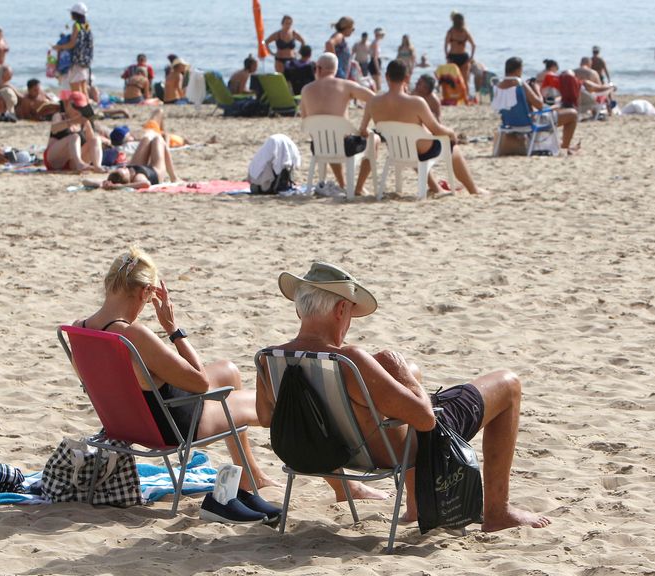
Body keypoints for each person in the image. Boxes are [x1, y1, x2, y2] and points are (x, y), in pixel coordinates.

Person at [256, 261, 553, 529]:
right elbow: (425, 421)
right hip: (396, 452)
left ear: (299, 309)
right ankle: (497, 512)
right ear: (341, 310)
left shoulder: (270, 359)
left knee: (393, 369)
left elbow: (266, 418)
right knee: (508, 383)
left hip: (336, 451)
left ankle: (414, 508)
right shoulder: (350, 361)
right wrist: (405, 376)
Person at [73, 248, 278, 491]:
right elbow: (200, 382)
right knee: (266, 401)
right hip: (174, 425)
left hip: (124, 423)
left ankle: (250, 473)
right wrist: (173, 329)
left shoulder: (80, 330)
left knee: (229, 371)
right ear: (145, 291)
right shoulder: (132, 335)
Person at [361, 59, 485, 195]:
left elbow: (363, 130)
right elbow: (436, 130)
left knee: (410, 144)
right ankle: (473, 190)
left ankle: (435, 187)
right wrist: (451, 132)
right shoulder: (416, 102)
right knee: (452, 148)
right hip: (420, 150)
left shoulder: (372, 102)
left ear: (386, 77)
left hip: (398, 150)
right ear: (407, 78)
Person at [300, 52, 377, 195]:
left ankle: (343, 184)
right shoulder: (346, 85)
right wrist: (363, 126)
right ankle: (359, 188)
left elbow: (305, 120)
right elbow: (373, 99)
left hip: (318, 146)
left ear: (318, 68)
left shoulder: (306, 90)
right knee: (375, 139)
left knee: (329, 137)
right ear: (335, 69)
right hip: (344, 146)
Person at [497, 57, 580, 154]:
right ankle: (565, 148)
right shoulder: (521, 85)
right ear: (518, 70)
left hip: (508, 122)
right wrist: (537, 89)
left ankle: (564, 146)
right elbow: (540, 105)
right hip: (531, 122)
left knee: (555, 108)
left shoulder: (498, 86)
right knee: (573, 114)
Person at [104, 111, 179, 188]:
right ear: (128, 179)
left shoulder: (128, 170)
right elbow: (146, 184)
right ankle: (174, 177)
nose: (124, 167)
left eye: (122, 168)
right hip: (155, 172)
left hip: (139, 167)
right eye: (126, 171)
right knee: (158, 139)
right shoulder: (138, 178)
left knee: (146, 138)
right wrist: (119, 186)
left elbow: (98, 182)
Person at [42, 91, 103, 172]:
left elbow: (91, 140)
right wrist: (74, 121)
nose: (78, 111)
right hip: (55, 159)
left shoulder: (84, 121)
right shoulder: (59, 116)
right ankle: (79, 163)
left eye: (81, 108)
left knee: (96, 139)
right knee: (75, 137)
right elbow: (54, 128)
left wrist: (88, 122)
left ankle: (97, 166)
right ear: (68, 105)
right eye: (76, 107)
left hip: (71, 162)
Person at [53, 3, 93, 97]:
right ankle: (87, 108)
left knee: (75, 87)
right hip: (86, 60)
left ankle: (81, 109)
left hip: (77, 60)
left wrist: (59, 47)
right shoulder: (87, 26)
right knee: (83, 86)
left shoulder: (76, 26)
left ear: (75, 14)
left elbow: (72, 44)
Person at [444, 12, 476, 91]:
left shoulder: (451, 32)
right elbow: (473, 45)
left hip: (453, 56)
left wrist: (447, 56)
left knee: (452, 79)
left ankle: (454, 96)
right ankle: (465, 98)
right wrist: (471, 57)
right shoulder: (465, 32)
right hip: (462, 57)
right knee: (464, 79)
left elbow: (445, 45)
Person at [369, 28, 385, 92]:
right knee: (378, 85)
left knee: (376, 84)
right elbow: (375, 57)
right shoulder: (375, 43)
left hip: (374, 62)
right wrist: (378, 69)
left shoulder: (375, 42)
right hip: (375, 63)